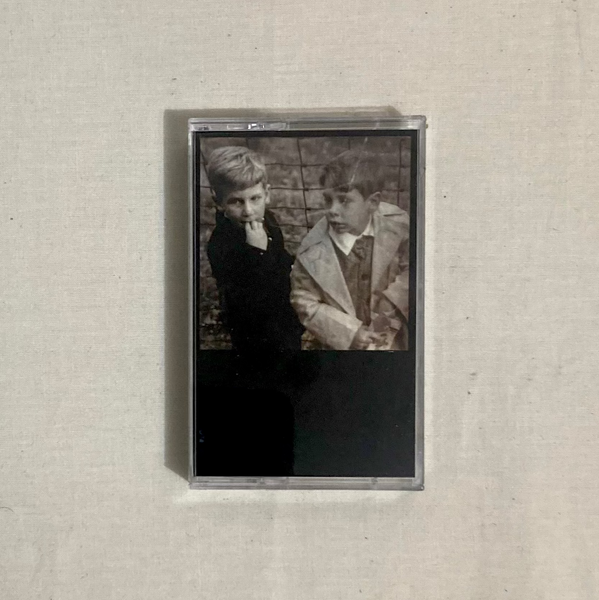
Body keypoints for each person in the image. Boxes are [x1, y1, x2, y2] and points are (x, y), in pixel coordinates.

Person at [290, 149, 410, 350]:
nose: (332, 210)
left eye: (344, 200)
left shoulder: (400, 227)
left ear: (372, 203)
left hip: (393, 333)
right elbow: (303, 300)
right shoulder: (312, 251)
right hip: (339, 343)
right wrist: (349, 333)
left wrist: (392, 300)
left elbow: (414, 269)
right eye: (328, 200)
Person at [205, 146, 304, 354]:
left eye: (255, 198)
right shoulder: (220, 244)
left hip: (284, 318)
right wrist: (257, 252)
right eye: (236, 201)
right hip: (253, 331)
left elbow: (280, 258)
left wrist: (297, 266)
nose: (248, 211)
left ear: (267, 194)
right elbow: (250, 297)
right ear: (219, 203)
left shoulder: (268, 220)